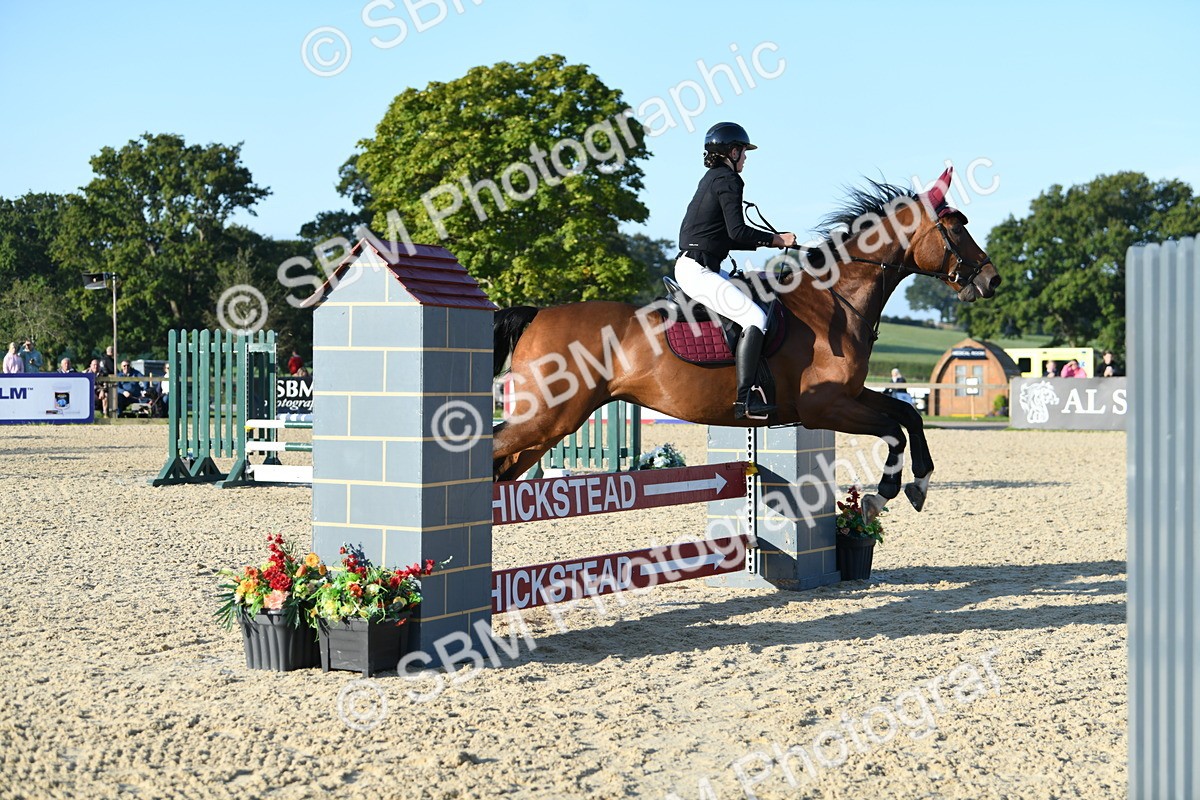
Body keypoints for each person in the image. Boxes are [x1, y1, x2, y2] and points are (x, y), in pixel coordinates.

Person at [676, 121, 796, 420]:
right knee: (755, 317)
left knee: (756, 299)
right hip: (698, 270)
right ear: (732, 151)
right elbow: (739, 231)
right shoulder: (729, 180)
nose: (746, 158)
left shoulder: (713, 178)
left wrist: (770, 242)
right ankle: (745, 400)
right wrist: (776, 239)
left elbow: (727, 236)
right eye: (743, 151)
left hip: (701, 265)